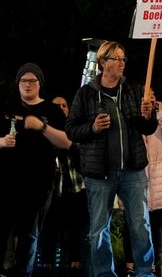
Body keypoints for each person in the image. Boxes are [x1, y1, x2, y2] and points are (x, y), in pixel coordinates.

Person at [65, 41, 158, 277]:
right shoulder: (86, 94)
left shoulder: (134, 90)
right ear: (103, 62)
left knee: (140, 225)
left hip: (133, 172)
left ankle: (145, 272)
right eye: (117, 58)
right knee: (98, 229)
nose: (122, 63)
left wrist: (149, 116)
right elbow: (71, 130)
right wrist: (93, 128)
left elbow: (147, 128)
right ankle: (105, 274)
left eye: (124, 59)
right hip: (99, 174)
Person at [0, 63, 71, 277]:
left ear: (40, 84)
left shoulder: (52, 111)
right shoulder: (7, 107)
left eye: (32, 80)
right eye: (23, 80)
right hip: (6, 180)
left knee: (28, 233)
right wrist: (2, 141)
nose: (27, 85)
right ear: (18, 84)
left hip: (39, 182)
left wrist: (41, 126)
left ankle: (23, 272)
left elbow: (67, 142)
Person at [123, 87, 162, 275]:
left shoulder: (161, 116)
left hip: (158, 176)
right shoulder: (132, 115)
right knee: (131, 221)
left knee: (154, 223)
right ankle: (130, 265)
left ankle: (153, 265)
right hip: (134, 173)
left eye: (152, 96)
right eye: (145, 97)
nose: (149, 100)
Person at [38, 95, 91, 277]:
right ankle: (46, 266)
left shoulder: (75, 128)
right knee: (48, 229)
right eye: (56, 106)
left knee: (76, 228)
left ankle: (76, 266)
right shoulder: (44, 130)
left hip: (76, 185)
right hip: (52, 187)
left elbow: (80, 152)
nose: (61, 109)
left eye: (64, 105)